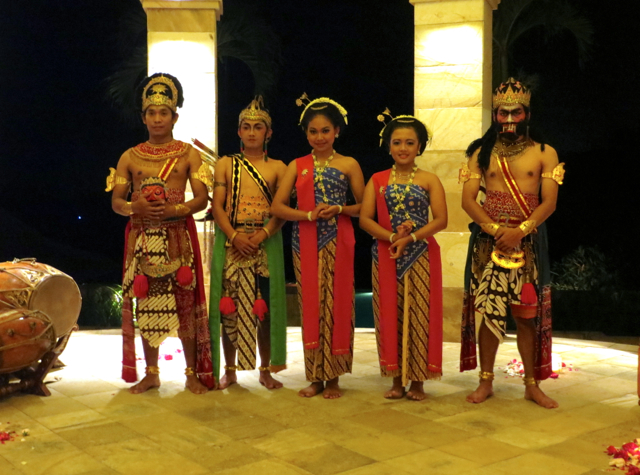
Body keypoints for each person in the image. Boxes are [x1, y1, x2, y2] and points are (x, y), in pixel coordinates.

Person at [459, 78, 565, 409]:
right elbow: (467, 200)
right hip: (488, 245)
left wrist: (519, 231)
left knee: (526, 316)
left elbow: (549, 203)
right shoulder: (480, 152)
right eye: (502, 113)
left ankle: (531, 385)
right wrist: (494, 230)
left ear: (527, 113)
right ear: (494, 114)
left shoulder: (545, 152)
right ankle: (485, 381)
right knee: (489, 314)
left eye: (515, 112)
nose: (507, 119)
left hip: (528, 244)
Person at [107, 73, 215, 394]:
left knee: (185, 304)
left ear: (175, 117)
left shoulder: (188, 155)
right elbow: (116, 202)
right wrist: (134, 208)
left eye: (163, 113)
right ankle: (151, 373)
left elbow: (201, 198)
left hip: (177, 238)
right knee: (147, 305)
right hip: (142, 240)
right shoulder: (129, 156)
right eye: (151, 113)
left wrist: (174, 210)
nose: (157, 119)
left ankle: (191, 373)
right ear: (143, 118)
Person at [271, 94, 365, 399]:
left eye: (325, 130)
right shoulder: (296, 166)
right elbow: (277, 207)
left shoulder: (349, 164)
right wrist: (308, 214)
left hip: (339, 240)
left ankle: (334, 376)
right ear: (306, 133)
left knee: (337, 304)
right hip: (304, 242)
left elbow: (366, 207)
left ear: (337, 130)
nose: (319, 137)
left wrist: (339, 209)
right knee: (310, 305)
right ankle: (315, 375)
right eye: (313, 131)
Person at [359, 111, 447, 400]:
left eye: (410, 143)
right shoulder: (377, 180)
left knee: (420, 315)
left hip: (422, 255)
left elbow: (441, 220)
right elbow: (365, 220)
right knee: (389, 314)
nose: (403, 148)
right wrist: (391, 237)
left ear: (420, 147)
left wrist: (410, 237)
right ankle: (396, 379)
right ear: (388, 146)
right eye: (397, 142)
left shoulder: (429, 180)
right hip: (386, 255)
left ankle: (419, 381)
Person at [209, 97, 288, 390]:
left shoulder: (279, 167)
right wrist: (234, 236)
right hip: (233, 241)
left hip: (263, 244)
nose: (252, 132)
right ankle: (229, 370)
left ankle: (265, 369)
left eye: (258, 127)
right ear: (239, 132)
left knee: (263, 308)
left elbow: (282, 209)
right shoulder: (225, 164)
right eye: (246, 127)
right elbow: (217, 206)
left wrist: (262, 235)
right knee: (228, 307)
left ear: (269, 133)